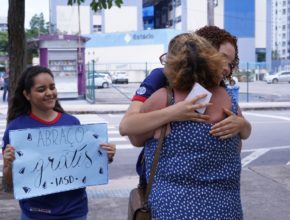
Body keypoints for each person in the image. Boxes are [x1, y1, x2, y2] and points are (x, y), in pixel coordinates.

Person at [119, 25, 251, 181]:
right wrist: (173, 113)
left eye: (230, 63)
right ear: (203, 52)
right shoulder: (160, 78)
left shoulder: (220, 89)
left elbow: (245, 133)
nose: (227, 69)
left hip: (210, 185)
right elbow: (128, 127)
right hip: (162, 179)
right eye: (222, 58)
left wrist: (241, 125)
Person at [133, 32, 243, 219]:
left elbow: (135, 137)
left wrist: (165, 117)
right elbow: (238, 146)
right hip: (227, 208)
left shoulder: (163, 98)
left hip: (174, 208)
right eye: (224, 60)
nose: (226, 68)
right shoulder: (229, 100)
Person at [2, 66, 116, 220]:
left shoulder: (72, 123)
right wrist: (8, 165)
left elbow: (85, 166)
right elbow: (9, 183)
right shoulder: (16, 129)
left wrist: (106, 155)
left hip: (75, 212)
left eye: (52, 87)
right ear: (27, 94)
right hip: (35, 213)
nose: (49, 93)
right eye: (41, 89)